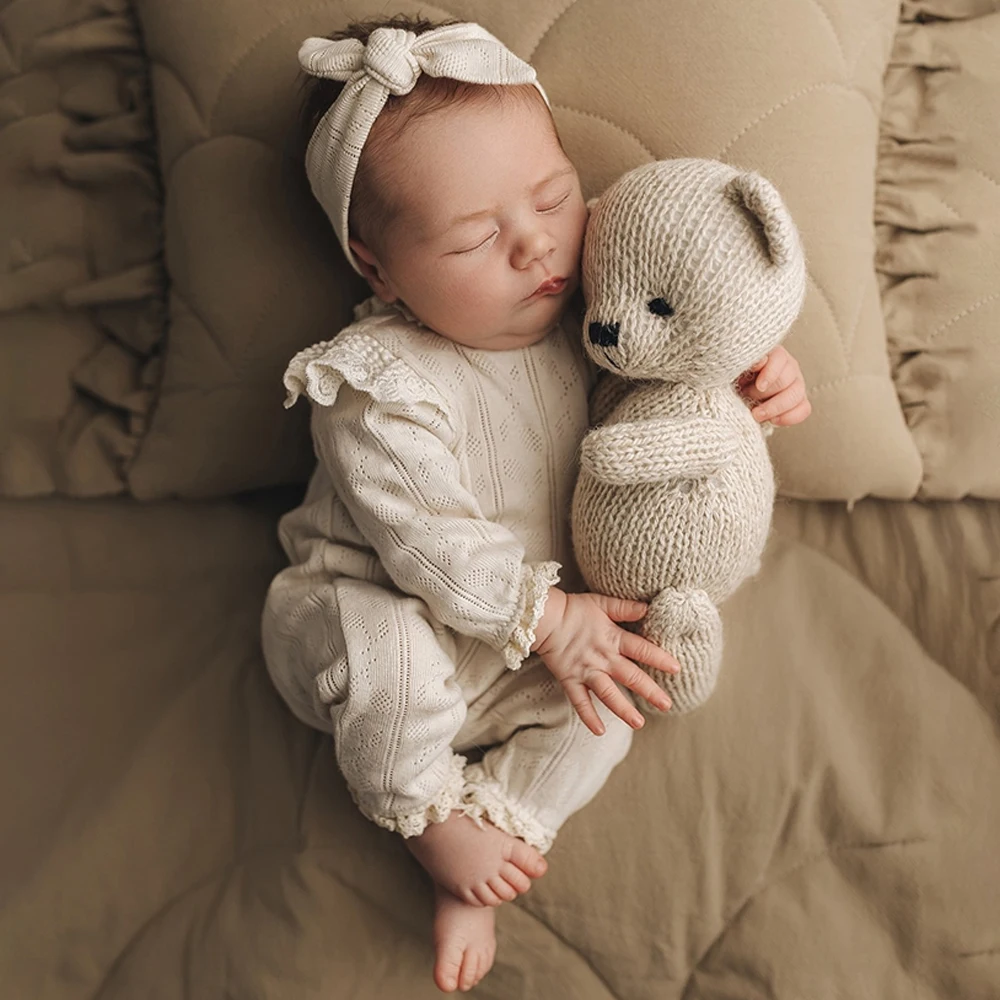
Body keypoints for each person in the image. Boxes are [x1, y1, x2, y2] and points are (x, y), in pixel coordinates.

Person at [261, 15, 812, 994]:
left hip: (548, 650)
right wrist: (547, 617)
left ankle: (505, 825)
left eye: (553, 195)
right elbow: (426, 544)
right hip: (378, 618)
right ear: (376, 267)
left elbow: (662, 362)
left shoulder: (586, 305)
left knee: (618, 703)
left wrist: (738, 378)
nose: (535, 249)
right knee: (384, 656)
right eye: (477, 237)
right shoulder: (375, 386)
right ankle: (428, 814)